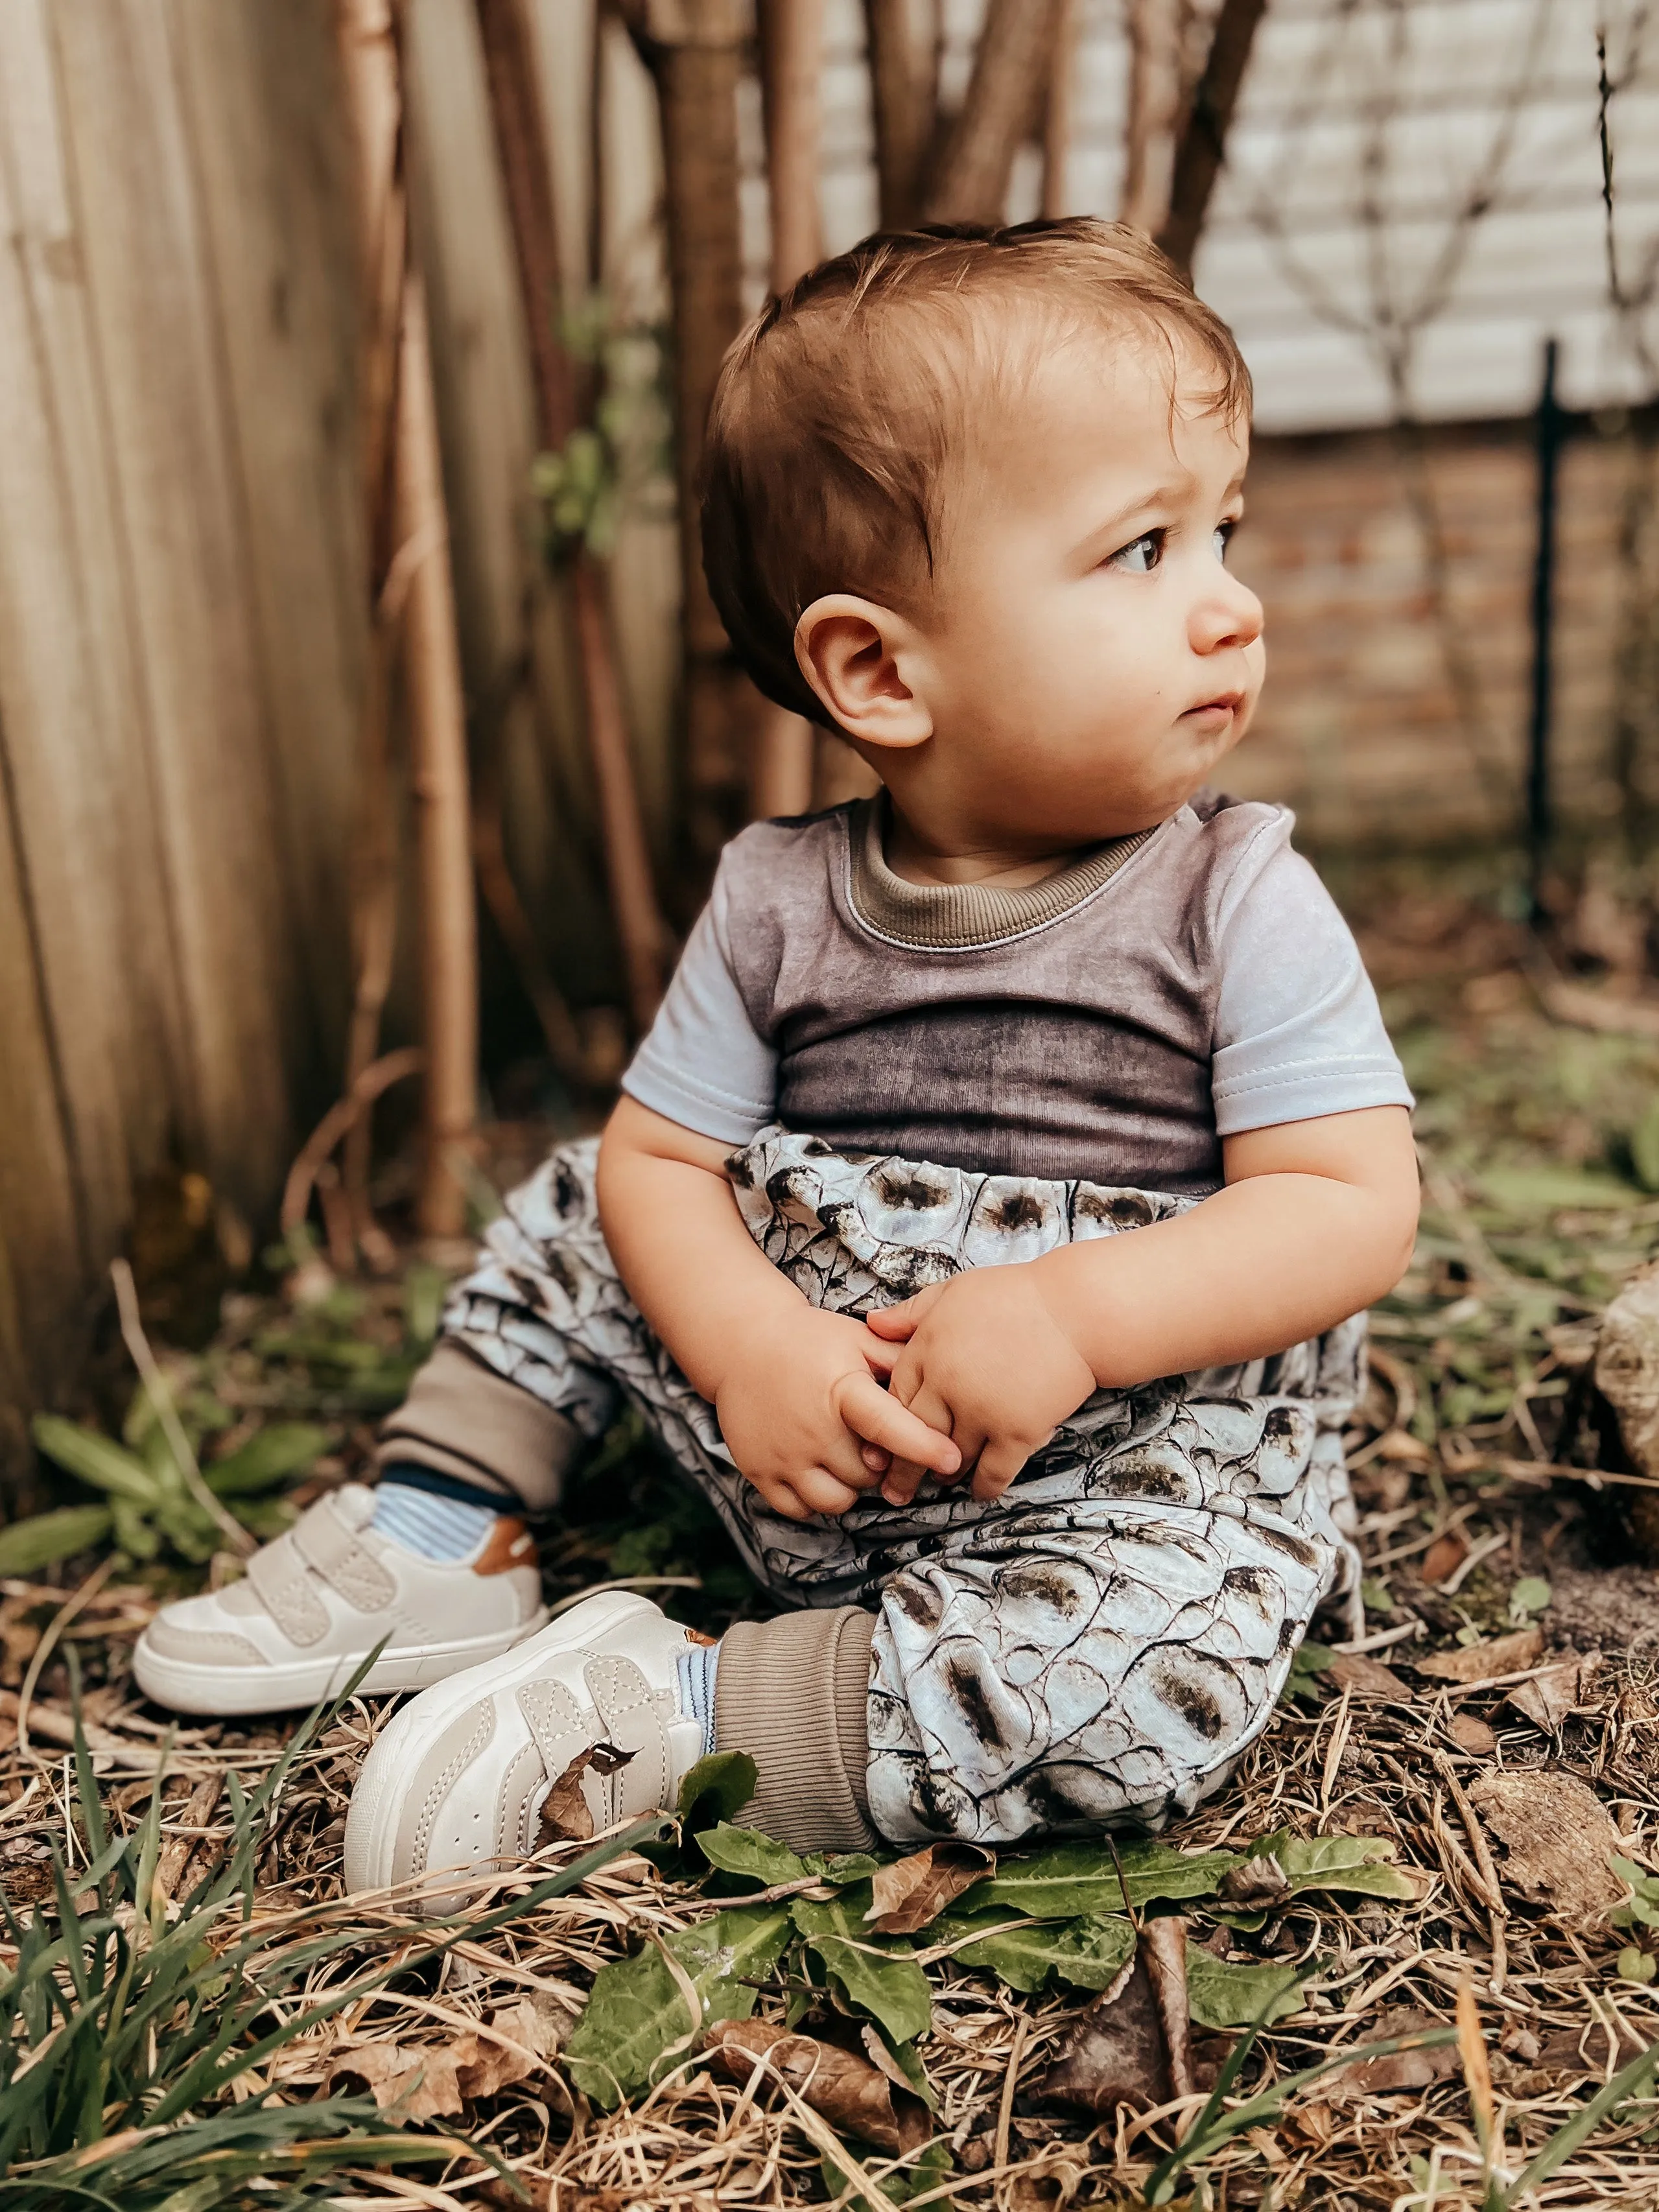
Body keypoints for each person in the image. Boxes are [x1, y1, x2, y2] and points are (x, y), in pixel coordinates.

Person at [134, 219, 1418, 1897]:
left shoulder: (1235, 897)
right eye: (1141, 551)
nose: (1228, 604)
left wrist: (1066, 1313)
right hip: (794, 1411)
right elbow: (661, 1169)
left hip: (1114, 1463)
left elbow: (1343, 1206)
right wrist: (746, 1343)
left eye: (1220, 532)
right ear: (879, 669)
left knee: (1160, 1676)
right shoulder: (775, 899)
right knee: (593, 1198)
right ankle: (448, 1526)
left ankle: (688, 1714)